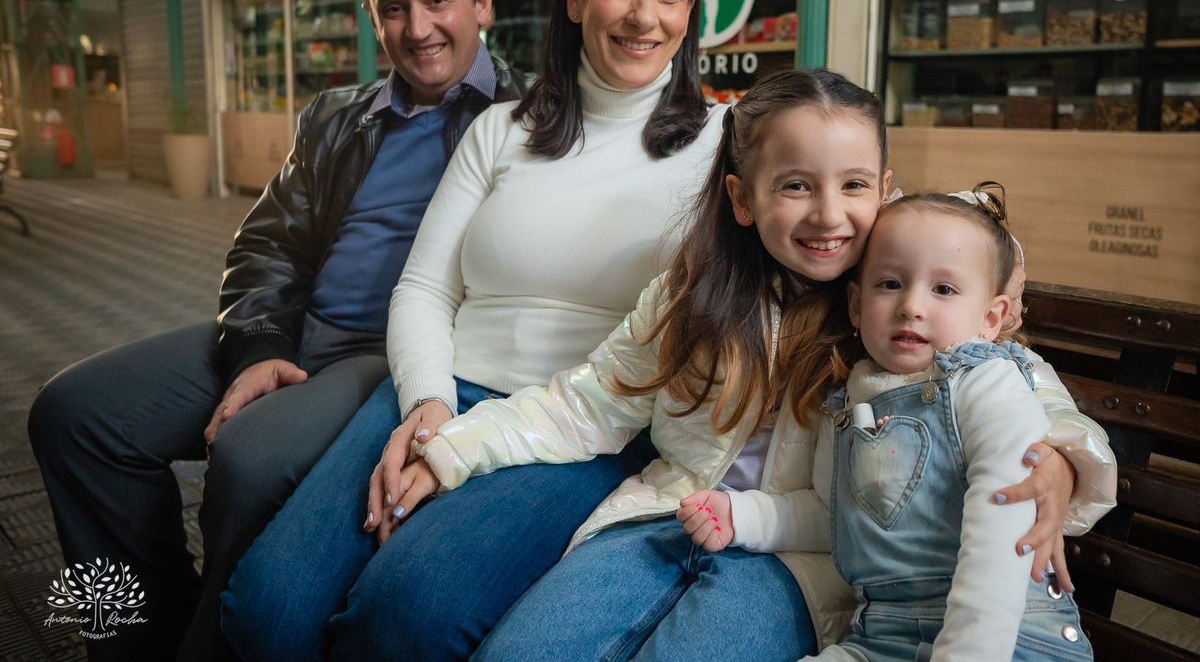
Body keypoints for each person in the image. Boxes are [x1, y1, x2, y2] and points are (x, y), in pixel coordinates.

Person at [371, 70, 1116, 660]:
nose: (829, 214)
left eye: (854, 185)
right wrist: (452, 451)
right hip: (663, 516)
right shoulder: (691, 294)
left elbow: (1017, 381)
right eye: (796, 184)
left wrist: (1060, 457)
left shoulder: (907, 306)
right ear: (743, 197)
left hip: (797, 564)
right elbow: (586, 403)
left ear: (883, 191)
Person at [220, 0, 724, 662]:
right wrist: (428, 403)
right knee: (267, 610)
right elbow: (425, 286)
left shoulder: (730, 143)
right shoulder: (502, 129)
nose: (643, 15)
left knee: (404, 615)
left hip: (580, 431)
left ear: (692, 10)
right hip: (442, 388)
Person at [26, 0, 527, 662]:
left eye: (438, 1)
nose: (417, 27)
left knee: (251, 455)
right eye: (393, 7)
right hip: (292, 328)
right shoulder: (335, 117)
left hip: (389, 356)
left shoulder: (532, 122)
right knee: (72, 414)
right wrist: (258, 345)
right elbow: (268, 246)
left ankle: (206, 644)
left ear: (481, 3)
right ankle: (139, 633)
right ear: (372, 17)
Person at [805, 185, 1096, 661]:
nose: (912, 306)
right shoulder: (845, 402)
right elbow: (830, 513)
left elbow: (1001, 532)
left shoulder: (987, 383)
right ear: (856, 305)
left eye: (943, 289)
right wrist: (748, 518)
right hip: (882, 633)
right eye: (890, 283)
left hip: (1009, 636)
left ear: (990, 318)